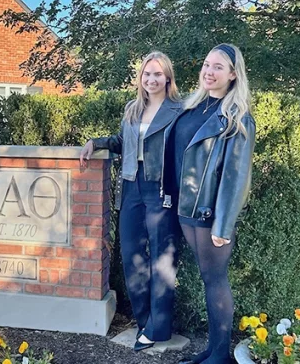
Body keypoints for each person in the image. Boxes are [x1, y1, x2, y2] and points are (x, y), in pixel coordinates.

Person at [80, 51, 183, 351]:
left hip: (161, 189)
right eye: (146, 74)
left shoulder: (178, 110)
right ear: (141, 78)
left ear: (167, 77)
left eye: (157, 74)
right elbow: (124, 142)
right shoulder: (132, 109)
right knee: (132, 257)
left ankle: (158, 328)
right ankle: (144, 322)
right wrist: (95, 143)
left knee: (162, 260)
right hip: (131, 187)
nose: (151, 79)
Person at [166, 44, 256, 364]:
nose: (209, 71)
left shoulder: (236, 118)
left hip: (208, 215)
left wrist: (223, 224)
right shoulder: (192, 108)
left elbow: (235, 176)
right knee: (207, 279)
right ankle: (212, 350)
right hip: (185, 211)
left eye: (219, 66)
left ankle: (220, 356)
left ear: (233, 75)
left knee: (215, 279)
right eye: (206, 64)